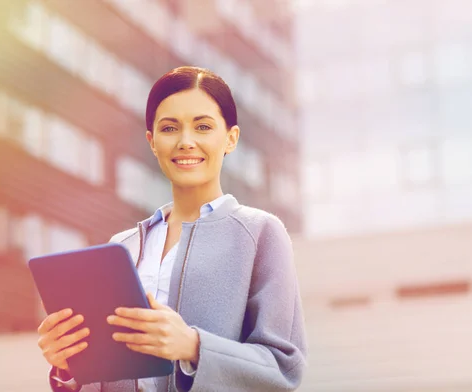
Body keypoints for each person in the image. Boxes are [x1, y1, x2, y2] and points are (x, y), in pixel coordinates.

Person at [36, 66, 307, 392]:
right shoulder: (121, 247)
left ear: (230, 138)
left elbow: (283, 369)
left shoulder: (260, 233)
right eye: (169, 128)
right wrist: (68, 369)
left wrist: (193, 347)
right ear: (152, 141)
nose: (186, 142)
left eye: (203, 127)